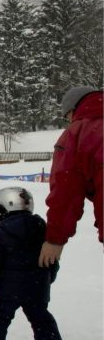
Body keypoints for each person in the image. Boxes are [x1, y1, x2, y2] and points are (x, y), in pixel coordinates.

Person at [0, 187, 73, 340]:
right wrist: (47, 279)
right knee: (42, 320)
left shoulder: (0, 235)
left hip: (8, 290)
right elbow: (52, 259)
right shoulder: (44, 230)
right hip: (37, 289)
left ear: (4, 209)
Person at [40, 86, 103, 268]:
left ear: (73, 109)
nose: (68, 121)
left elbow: (66, 192)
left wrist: (55, 240)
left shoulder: (78, 133)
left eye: (66, 116)